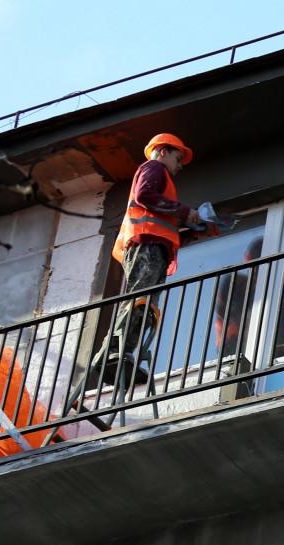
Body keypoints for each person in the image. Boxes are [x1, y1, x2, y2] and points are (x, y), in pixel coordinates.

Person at [102, 132, 200, 385]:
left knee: (146, 306)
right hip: (145, 244)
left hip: (154, 246)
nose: (179, 167)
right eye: (178, 159)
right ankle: (115, 351)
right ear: (164, 151)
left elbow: (164, 229)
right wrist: (184, 212)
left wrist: (191, 233)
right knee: (140, 298)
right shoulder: (155, 168)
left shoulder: (163, 177)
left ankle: (124, 353)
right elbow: (144, 196)